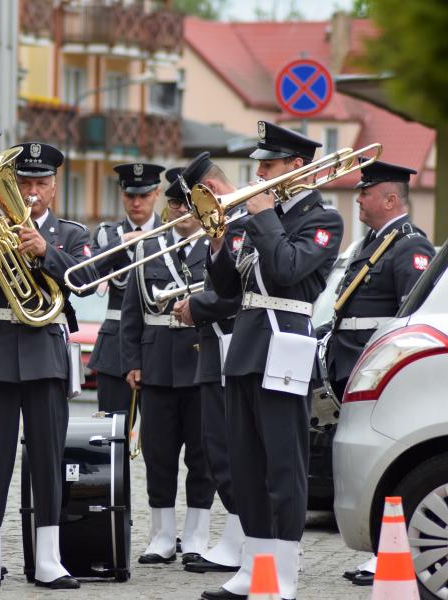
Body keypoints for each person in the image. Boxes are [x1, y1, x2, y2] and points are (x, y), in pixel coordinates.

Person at [0, 141, 97, 590]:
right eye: (25, 182)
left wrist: (47, 251)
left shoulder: (70, 234)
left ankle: (49, 558)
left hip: (45, 350)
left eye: (40, 183)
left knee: (48, 456)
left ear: (54, 187)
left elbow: (88, 282)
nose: (31, 192)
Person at [202, 122, 343, 600]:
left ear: (296, 167)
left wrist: (262, 215)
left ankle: (283, 573)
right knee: (245, 464)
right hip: (245, 348)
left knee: (284, 463)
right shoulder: (255, 220)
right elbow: (226, 289)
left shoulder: (323, 220)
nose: (259, 173)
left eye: (269, 165)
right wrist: (217, 240)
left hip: (285, 346)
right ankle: (253, 565)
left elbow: (286, 269)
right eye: (259, 165)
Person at [322, 160, 434, 587]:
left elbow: (412, 317)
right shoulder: (373, 243)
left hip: (383, 375)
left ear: (390, 199)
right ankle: (379, 549)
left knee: (386, 461)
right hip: (356, 369)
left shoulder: (409, 247)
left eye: (366, 192)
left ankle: (389, 551)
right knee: (367, 464)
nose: (359, 199)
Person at [119, 161, 216, 567]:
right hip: (157, 365)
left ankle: (196, 535)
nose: (180, 211)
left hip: (201, 362)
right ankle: (161, 535)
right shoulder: (147, 248)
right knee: (158, 455)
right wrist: (132, 361)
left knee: (202, 455)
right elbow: (132, 313)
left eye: (187, 205)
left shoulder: (216, 245)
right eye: (175, 204)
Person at [173, 153, 248, 574]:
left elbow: (239, 293)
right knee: (219, 450)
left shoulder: (244, 225)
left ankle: (242, 540)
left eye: (195, 205)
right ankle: (237, 537)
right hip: (216, 349)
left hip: (235, 347)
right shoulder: (226, 226)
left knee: (229, 451)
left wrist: (196, 307)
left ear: (210, 192)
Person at [88, 164, 163, 414]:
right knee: (112, 429)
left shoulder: (170, 232)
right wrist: (121, 243)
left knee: (159, 433)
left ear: (157, 193)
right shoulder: (107, 235)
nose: (136, 203)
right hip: (115, 345)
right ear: (122, 194)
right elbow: (86, 275)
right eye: (130, 195)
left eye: (144, 195)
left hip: (158, 342)